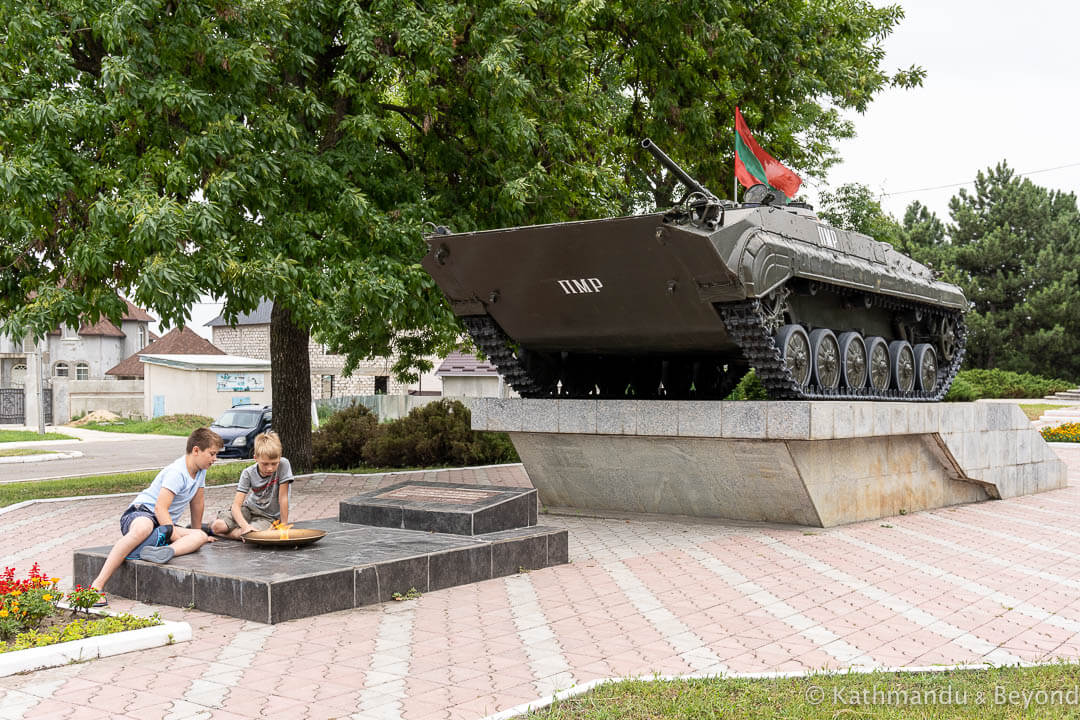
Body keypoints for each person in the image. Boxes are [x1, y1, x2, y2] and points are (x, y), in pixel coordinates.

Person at [90, 427, 222, 603]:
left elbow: (197, 502)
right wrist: (174, 534)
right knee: (143, 528)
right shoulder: (177, 472)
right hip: (142, 513)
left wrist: (198, 532)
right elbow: (160, 508)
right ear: (196, 450)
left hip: (163, 526)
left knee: (199, 536)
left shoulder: (201, 471)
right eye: (212, 454)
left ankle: (161, 551)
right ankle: (97, 586)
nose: (215, 459)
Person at [209, 431, 294, 539]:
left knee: (254, 536)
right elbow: (236, 506)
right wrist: (245, 527)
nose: (270, 468)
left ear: (279, 457)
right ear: (255, 458)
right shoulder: (248, 473)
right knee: (218, 526)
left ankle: (232, 534)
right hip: (249, 509)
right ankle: (223, 531)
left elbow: (283, 498)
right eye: (265, 463)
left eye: (274, 463)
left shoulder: (284, 464)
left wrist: (284, 526)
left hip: (268, 518)